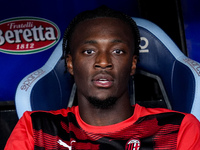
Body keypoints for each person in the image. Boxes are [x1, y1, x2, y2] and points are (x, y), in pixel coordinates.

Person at [5, 6, 200, 150]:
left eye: (117, 51)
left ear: (132, 64)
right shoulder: (36, 129)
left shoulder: (178, 129)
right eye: (89, 51)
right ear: (71, 64)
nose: (103, 61)